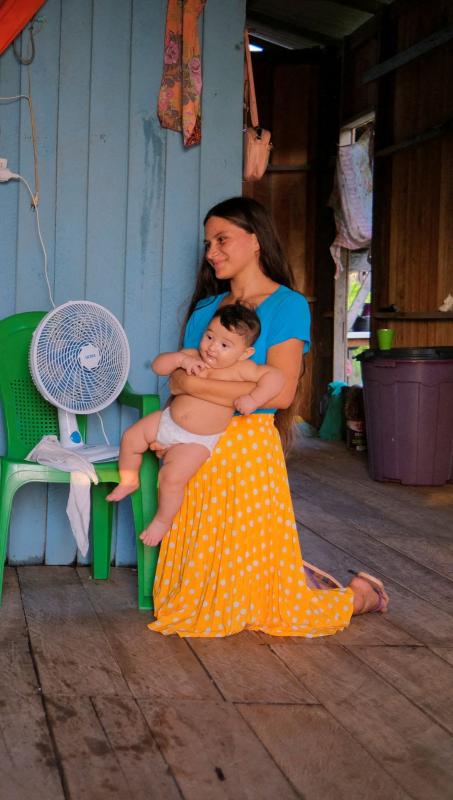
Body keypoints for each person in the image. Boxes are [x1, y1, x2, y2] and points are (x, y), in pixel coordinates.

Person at [147, 196, 388, 638]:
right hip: (197, 445)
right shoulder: (206, 309)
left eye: (222, 240)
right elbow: (177, 380)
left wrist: (195, 387)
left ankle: (358, 597)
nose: (211, 252)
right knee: (185, 601)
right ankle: (305, 578)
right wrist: (169, 430)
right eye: (207, 243)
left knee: (271, 607)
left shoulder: (287, 305)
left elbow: (281, 393)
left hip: (249, 451)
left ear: (256, 241)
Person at [108, 303, 284, 547]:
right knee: (130, 437)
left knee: (171, 479)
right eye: (209, 336)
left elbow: (276, 378)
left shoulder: (242, 369)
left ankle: (161, 521)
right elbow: (159, 366)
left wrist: (254, 399)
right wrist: (181, 359)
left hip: (197, 441)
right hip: (167, 422)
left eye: (224, 345)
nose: (212, 347)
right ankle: (128, 479)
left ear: (245, 353)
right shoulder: (192, 356)